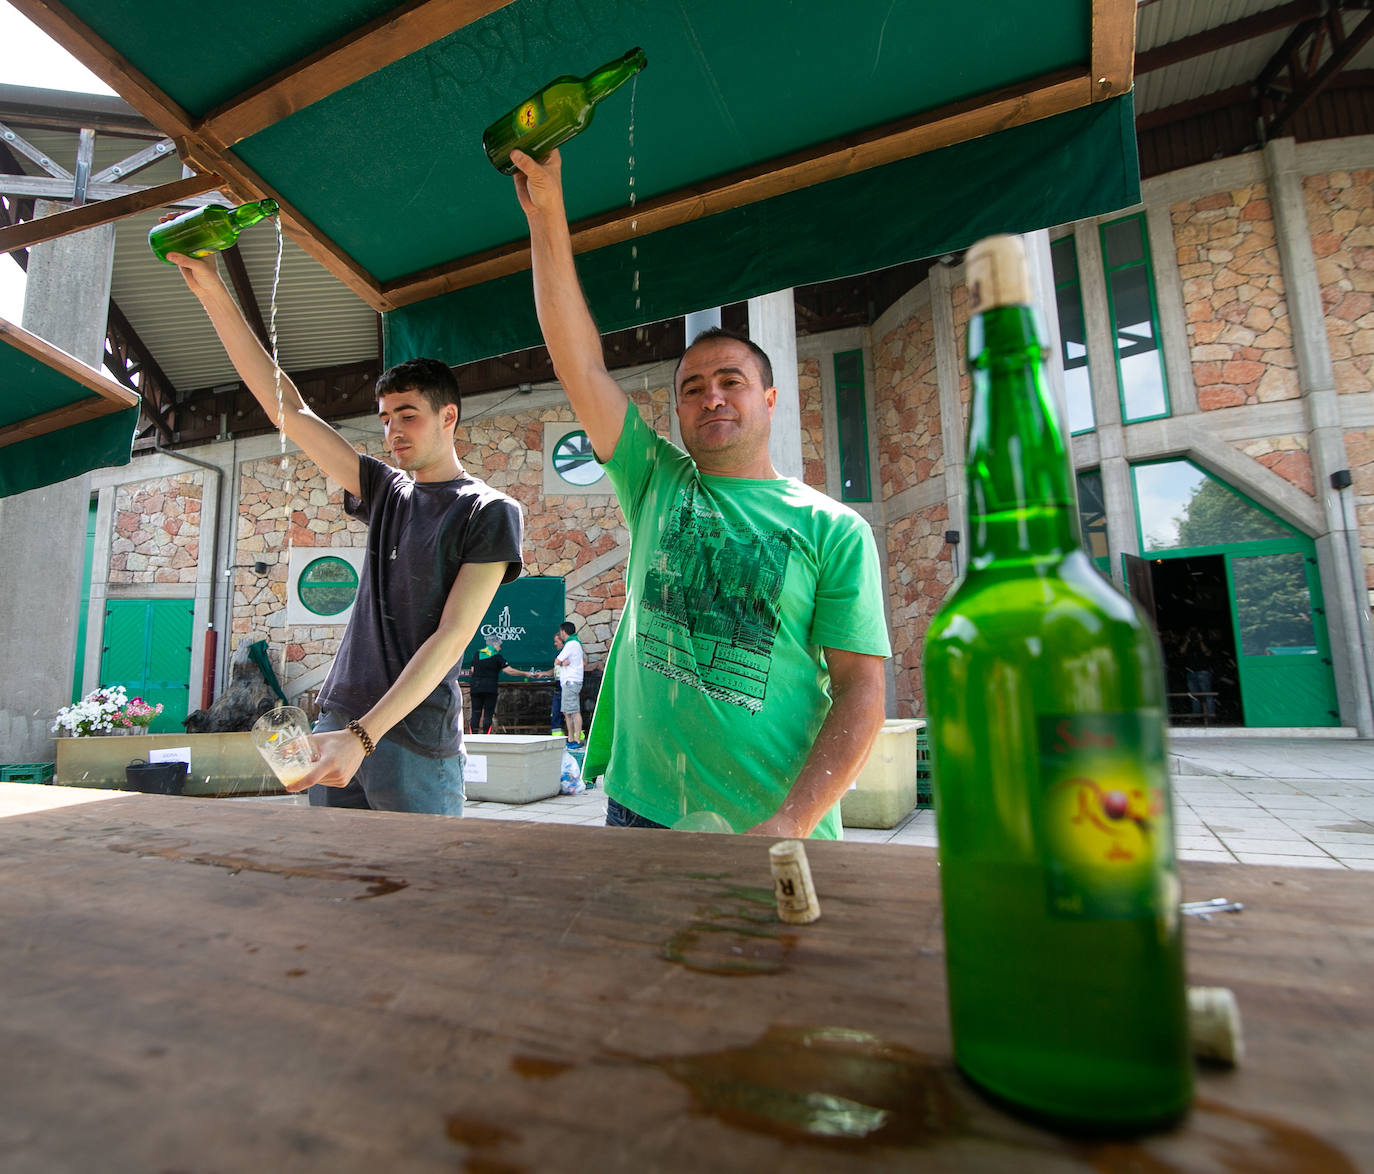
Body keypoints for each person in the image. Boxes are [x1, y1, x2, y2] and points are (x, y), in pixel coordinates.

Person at [511, 148, 891, 839]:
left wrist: (794, 819)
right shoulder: (655, 479)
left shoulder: (834, 529)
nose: (710, 396)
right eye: (692, 388)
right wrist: (548, 218)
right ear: (678, 414)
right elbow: (578, 360)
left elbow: (862, 690)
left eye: (731, 382)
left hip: (770, 827)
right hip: (638, 809)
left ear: (770, 400)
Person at [167, 248, 524, 816]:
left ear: (448, 416)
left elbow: (452, 637)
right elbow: (291, 410)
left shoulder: (487, 509)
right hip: (338, 719)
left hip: (412, 735)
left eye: (408, 415)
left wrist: (365, 736)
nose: (393, 431)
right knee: (333, 889)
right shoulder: (385, 488)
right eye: (385, 418)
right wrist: (213, 291)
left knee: (415, 892)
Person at [463, 637, 535, 734]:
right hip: (490, 688)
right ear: (495, 645)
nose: (500, 648)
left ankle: (473, 736)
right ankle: (486, 736)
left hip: (476, 687)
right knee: (488, 714)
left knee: (476, 712)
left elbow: (473, 670)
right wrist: (524, 673)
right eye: (499, 646)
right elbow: (509, 671)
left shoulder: (477, 655)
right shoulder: (497, 657)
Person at [550, 621, 585, 745]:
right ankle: (570, 738)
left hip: (571, 681)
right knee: (566, 711)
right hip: (568, 682)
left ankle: (576, 739)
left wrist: (561, 662)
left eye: (561, 632)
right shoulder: (574, 644)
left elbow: (557, 660)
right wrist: (562, 662)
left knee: (574, 711)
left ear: (564, 632)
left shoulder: (571, 644)